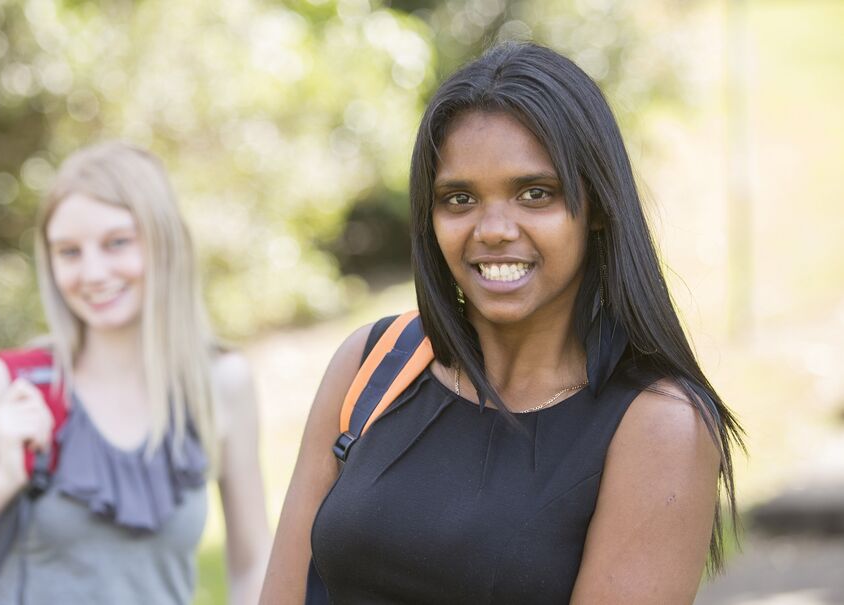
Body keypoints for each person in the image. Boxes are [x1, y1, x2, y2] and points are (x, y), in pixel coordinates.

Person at [262, 42, 741, 604]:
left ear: (600, 209)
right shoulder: (375, 362)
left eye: (535, 194)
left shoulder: (659, 426)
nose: (492, 229)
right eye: (459, 199)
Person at [0, 141, 270, 604]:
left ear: (165, 242)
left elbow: (254, 561)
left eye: (117, 243)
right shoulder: (12, 388)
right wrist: (1, 482)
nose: (93, 273)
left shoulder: (222, 384)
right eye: (69, 252)